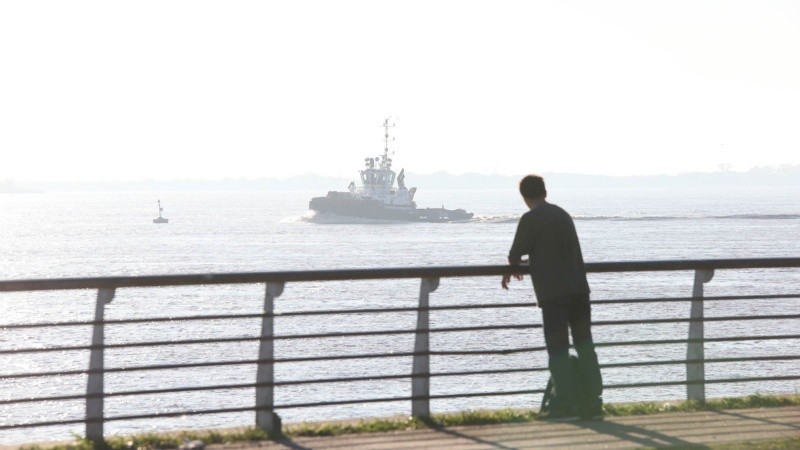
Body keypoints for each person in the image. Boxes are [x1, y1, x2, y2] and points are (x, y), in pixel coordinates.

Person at [502, 174, 603, 420]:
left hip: (554, 295)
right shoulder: (562, 215)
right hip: (579, 290)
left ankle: (565, 404)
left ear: (525, 197)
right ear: (545, 192)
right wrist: (533, 260)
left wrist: (514, 267)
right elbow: (555, 251)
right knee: (585, 345)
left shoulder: (530, 218)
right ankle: (593, 400)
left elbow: (514, 254)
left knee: (557, 350)